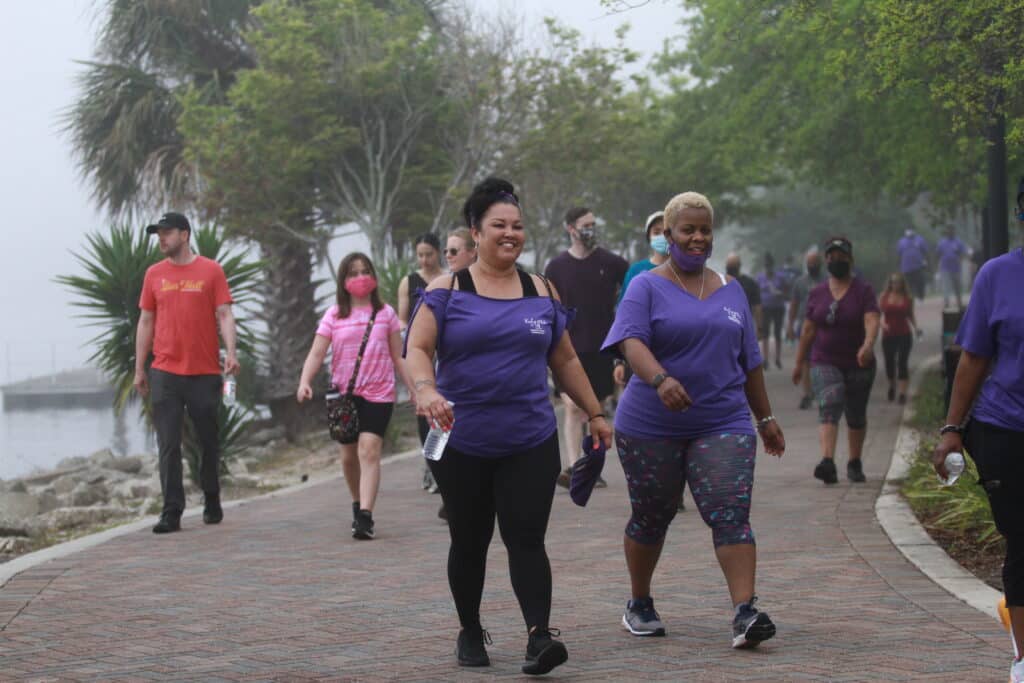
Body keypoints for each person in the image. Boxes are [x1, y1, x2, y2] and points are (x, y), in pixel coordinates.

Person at [405, 177, 612, 675]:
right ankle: (470, 629)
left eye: (517, 226)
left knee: (527, 538)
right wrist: (427, 390)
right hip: (462, 441)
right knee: (469, 540)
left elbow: (565, 360)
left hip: (529, 439)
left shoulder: (540, 289)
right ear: (476, 232)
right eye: (498, 225)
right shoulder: (447, 290)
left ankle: (539, 637)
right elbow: (417, 348)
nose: (510, 233)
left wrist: (596, 413)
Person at [602, 191, 785, 649]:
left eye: (705, 230)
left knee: (731, 512)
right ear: (668, 234)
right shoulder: (646, 286)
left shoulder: (731, 289)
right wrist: (660, 379)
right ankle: (640, 602)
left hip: (722, 419)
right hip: (650, 425)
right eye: (688, 230)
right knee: (652, 514)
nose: (698, 237)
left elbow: (750, 361)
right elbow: (630, 341)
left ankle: (745, 612)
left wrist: (765, 417)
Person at [933, 181, 1024, 682]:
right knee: (1023, 542)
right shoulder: (998, 275)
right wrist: (952, 428)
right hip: (1006, 429)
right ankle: (1023, 659)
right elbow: (973, 358)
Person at [134, 212, 239, 534]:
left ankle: (212, 497)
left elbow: (224, 314)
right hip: (165, 371)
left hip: (204, 372)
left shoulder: (211, 270)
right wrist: (139, 368)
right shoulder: (154, 274)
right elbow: (146, 321)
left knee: (208, 440)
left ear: (184, 234)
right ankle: (171, 512)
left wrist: (231, 352)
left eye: (167, 233)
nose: (162, 239)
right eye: (159, 234)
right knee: (168, 443)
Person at [296, 252, 412, 540]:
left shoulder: (386, 314)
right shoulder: (334, 315)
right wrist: (305, 381)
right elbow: (317, 353)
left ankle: (365, 516)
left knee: (369, 450)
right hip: (344, 396)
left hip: (379, 392)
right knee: (348, 457)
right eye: (353, 273)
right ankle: (357, 502)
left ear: (373, 276)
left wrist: (414, 388)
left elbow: (398, 356)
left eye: (364, 271)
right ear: (343, 280)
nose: (360, 278)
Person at [544, 206, 628, 488]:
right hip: (567, 348)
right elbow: (550, 308)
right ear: (571, 228)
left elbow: (630, 297)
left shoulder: (613, 263)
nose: (591, 229)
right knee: (571, 407)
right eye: (585, 225)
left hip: (602, 348)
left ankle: (592, 467)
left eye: (593, 224)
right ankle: (573, 466)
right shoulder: (555, 267)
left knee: (595, 409)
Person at [793, 236, 880, 485]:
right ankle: (827, 461)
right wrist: (799, 363)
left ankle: (854, 462)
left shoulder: (863, 290)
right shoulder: (817, 293)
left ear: (850, 260)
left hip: (859, 361)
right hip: (824, 359)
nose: (836, 261)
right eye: (831, 257)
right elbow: (808, 330)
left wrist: (868, 345)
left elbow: (872, 319)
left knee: (856, 414)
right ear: (826, 260)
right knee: (830, 403)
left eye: (841, 257)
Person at [397, 233, 444, 492]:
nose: (424, 260)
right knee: (425, 411)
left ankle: (445, 464)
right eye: (420, 255)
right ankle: (432, 466)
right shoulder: (409, 282)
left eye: (429, 254)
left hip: (445, 352)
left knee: (445, 410)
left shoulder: (448, 279)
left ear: (438, 253)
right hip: (419, 352)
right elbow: (402, 319)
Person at [786, 248, 825, 410]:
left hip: (823, 326)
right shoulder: (800, 282)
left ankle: (821, 393)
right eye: (809, 263)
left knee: (821, 361)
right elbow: (794, 304)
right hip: (804, 326)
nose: (812, 265)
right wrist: (790, 325)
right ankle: (807, 394)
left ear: (820, 263)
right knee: (805, 360)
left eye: (815, 262)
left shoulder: (827, 280)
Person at [879, 272, 920, 404]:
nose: (895, 285)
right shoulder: (884, 296)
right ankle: (892, 385)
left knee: (902, 363)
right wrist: (882, 324)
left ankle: (902, 393)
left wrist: (916, 328)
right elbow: (878, 314)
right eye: (893, 282)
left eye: (898, 282)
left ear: (902, 284)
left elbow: (910, 315)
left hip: (904, 334)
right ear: (890, 284)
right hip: (888, 334)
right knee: (889, 363)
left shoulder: (908, 298)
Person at [757, 252, 788, 370]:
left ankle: (777, 358)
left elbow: (786, 291)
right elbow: (756, 293)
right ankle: (765, 359)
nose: (768, 267)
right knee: (765, 333)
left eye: (769, 265)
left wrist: (781, 293)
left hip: (778, 307)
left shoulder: (780, 277)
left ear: (772, 265)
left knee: (777, 333)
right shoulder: (760, 277)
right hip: (765, 307)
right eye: (766, 265)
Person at [725, 252, 764, 338]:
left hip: (738, 326)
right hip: (735, 326)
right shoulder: (750, 283)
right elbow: (757, 307)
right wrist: (759, 328)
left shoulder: (720, 282)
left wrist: (759, 327)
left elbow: (757, 306)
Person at [935, 227, 968, 310]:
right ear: (946, 232)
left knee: (957, 286)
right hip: (945, 267)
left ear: (954, 231)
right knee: (946, 286)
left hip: (956, 268)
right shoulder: (942, 242)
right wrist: (937, 264)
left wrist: (960, 259)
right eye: (948, 230)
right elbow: (937, 253)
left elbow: (963, 253)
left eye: (951, 230)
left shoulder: (958, 242)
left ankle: (959, 301)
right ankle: (946, 302)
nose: (950, 232)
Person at [898, 229, 930, 301]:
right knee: (909, 284)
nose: (909, 233)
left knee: (920, 281)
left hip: (918, 266)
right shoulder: (901, 241)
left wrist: (926, 261)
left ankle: (921, 295)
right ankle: (910, 298)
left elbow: (925, 251)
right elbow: (899, 254)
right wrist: (899, 265)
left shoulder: (920, 239)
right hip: (906, 267)